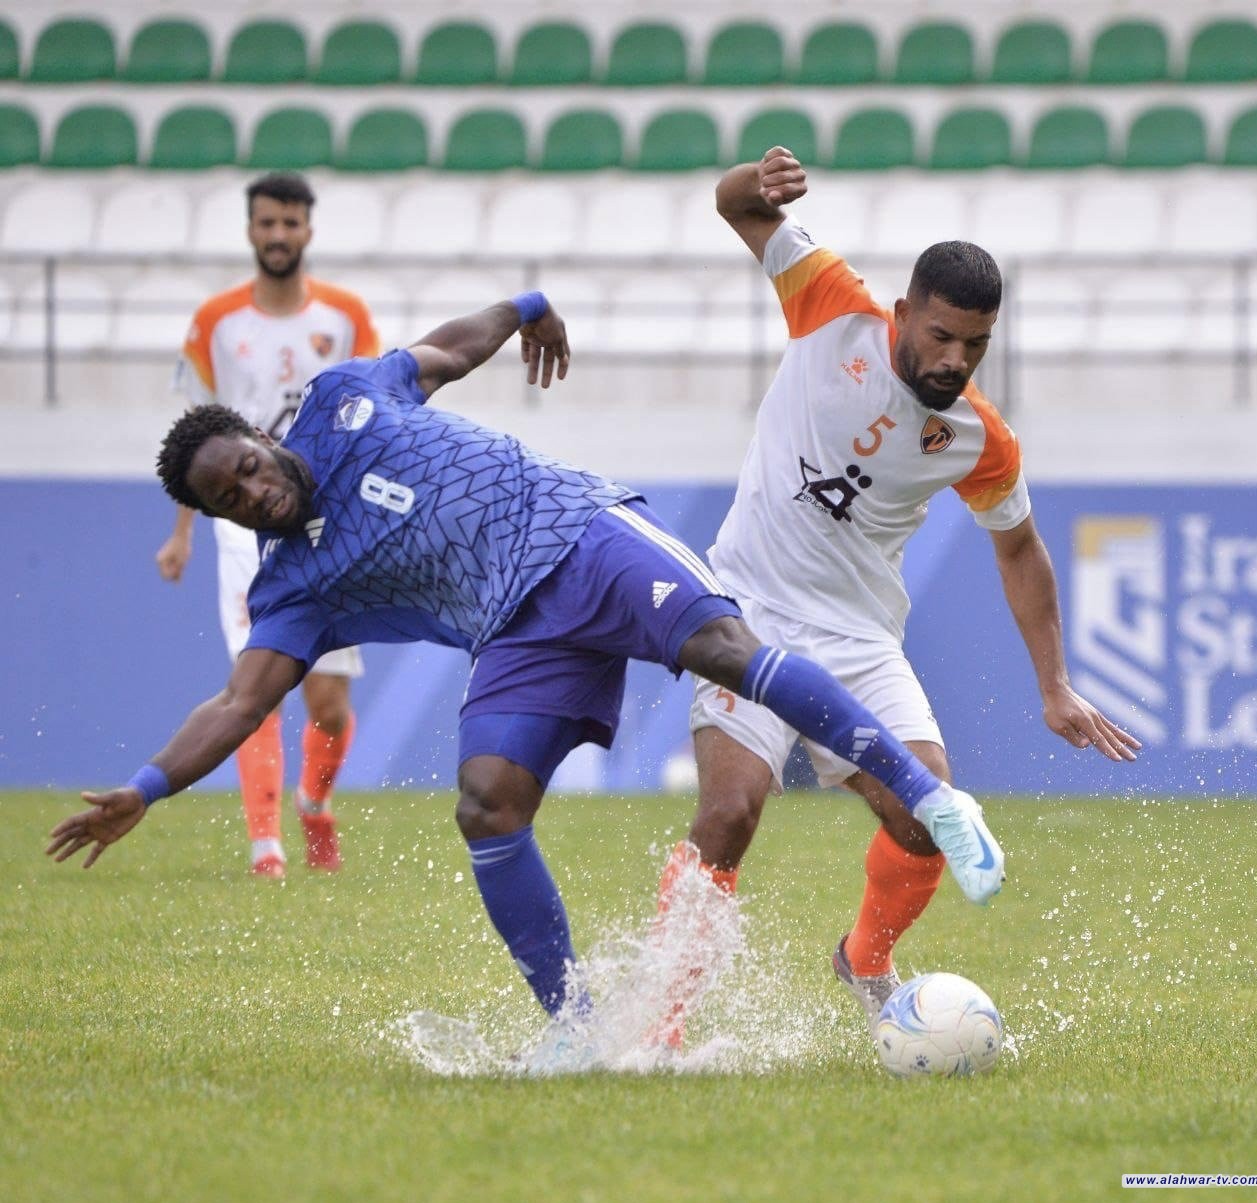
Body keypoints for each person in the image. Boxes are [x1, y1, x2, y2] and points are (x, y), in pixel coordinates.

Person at [48, 289, 1004, 1028]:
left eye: (246, 467)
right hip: (515, 626)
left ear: (259, 437)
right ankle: (575, 1024)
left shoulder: (343, 397)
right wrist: (147, 785)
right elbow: (236, 703)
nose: (251, 493)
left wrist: (528, 307)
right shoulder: (291, 588)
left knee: (726, 646)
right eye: (229, 500)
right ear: (219, 518)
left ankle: (931, 803)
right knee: (486, 801)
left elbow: (453, 351)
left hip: (580, 530)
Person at [654, 146, 1141, 1040]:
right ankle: (661, 1023)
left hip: (858, 635)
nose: (955, 360)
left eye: (976, 345)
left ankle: (865, 959)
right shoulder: (829, 301)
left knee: (929, 816)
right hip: (747, 610)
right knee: (728, 809)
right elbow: (732, 207)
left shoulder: (977, 439)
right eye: (941, 336)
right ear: (904, 309)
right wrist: (749, 184)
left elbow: (1022, 548)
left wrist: (1054, 684)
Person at [155, 171, 380, 878]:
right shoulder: (217, 323)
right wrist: (183, 530)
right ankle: (266, 849)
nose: (278, 235)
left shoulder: (345, 316)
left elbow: (372, 414)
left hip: (325, 522)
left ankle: (313, 804)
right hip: (240, 532)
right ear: (250, 229)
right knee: (252, 683)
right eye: (266, 223)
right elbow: (195, 442)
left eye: (290, 223)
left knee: (328, 699)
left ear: (308, 230)